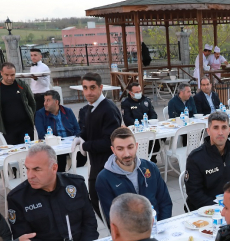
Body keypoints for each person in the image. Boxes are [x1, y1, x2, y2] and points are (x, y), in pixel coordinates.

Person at [8, 144, 99, 241]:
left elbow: (90, 222)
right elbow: (25, 240)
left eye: (37, 169)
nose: (30, 175)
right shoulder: (18, 198)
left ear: (54, 168)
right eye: (27, 168)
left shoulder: (75, 184)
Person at [96, 127, 172, 225]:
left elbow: (165, 202)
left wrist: (162, 226)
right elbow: (113, 218)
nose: (126, 154)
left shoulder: (151, 168)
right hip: (129, 235)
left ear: (136, 146)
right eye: (120, 149)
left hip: (158, 227)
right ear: (113, 150)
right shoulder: (104, 179)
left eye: (130, 147)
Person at [74, 72, 122, 215]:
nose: (88, 92)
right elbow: (87, 129)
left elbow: (110, 142)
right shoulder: (88, 108)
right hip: (96, 163)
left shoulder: (107, 108)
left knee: (104, 203)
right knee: (97, 201)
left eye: (92, 87)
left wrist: (85, 146)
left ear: (101, 88)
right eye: (85, 88)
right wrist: (80, 137)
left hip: (108, 165)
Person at [185, 112, 230, 210]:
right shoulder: (195, 158)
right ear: (208, 131)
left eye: (224, 127)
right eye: (216, 128)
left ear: (229, 130)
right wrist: (219, 208)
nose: (220, 132)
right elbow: (194, 193)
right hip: (206, 210)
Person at [34, 90, 84, 172]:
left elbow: (77, 129)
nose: (45, 103)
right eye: (44, 100)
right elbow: (41, 134)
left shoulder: (67, 111)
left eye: (48, 100)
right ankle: (62, 177)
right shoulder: (40, 114)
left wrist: (75, 139)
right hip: (54, 145)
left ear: (56, 102)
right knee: (60, 159)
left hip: (70, 142)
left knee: (83, 152)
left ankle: (71, 173)